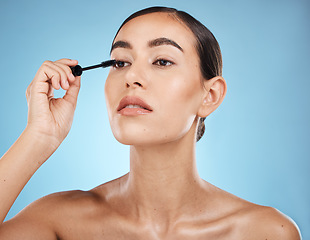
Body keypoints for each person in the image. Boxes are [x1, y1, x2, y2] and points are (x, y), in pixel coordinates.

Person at [0, 6, 301, 239]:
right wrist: (39, 136)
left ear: (209, 95)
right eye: (120, 62)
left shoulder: (265, 231)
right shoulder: (58, 222)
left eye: (162, 61)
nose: (131, 77)